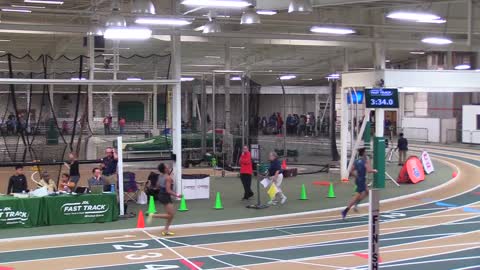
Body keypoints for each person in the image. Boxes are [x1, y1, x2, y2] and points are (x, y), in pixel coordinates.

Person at [341, 148, 377, 220]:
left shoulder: (356, 161)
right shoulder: (365, 161)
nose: (366, 153)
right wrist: (375, 170)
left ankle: (356, 205)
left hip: (358, 180)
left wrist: (356, 176)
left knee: (367, 192)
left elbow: (351, 171)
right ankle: (346, 210)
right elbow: (369, 170)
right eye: (365, 152)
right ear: (363, 153)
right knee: (357, 196)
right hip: (362, 180)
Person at [148, 163, 182, 236]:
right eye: (167, 167)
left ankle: (166, 229)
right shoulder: (168, 178)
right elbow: (168, 190)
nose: (169, 167)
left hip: (162, 195)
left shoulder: (160, 176)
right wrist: (177, 195)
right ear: (165, 169)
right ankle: (153, 215)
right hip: (165, 196)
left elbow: (157, 186)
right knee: (171, 215)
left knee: (171, 215)